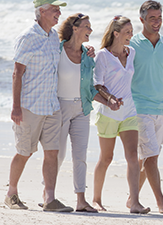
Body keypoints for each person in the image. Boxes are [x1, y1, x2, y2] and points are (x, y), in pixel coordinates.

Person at [5, 0, 73, 212]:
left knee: (52, 152)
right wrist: (16, 106)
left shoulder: (53, 36)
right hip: (30, 106)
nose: (59, 13)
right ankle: (11, 194)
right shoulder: (27, 37)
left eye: (59, 9)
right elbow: (17, 72)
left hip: (52, 106)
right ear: (41, 11)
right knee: (24, 152)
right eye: (55, 9)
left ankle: (50, 199)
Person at [91, 15, 150, 214]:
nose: (130, 36)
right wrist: (110, 99)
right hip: (108, 113)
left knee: (133, 156)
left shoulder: (131, 52)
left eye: (131, 32)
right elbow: (97, 84)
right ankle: (96, 199)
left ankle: (134, 202)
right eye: (127, 32)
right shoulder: (102, 56)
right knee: (106, 158)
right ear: (116, 33)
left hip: (129, 112)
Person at [129, 0, 163, 214]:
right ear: (142, 19)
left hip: (161, 109)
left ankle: (132, 199)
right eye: (152, 18)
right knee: (150, 157)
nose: (157, 22)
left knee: (149, 156)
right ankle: (161, 202)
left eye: (159, 17)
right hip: (138, 108)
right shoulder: (131, 44)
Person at [54, 12, 107, 213]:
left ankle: (81, 200)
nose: (90, 30)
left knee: (80, 156)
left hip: (82, 109)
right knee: (57, 155)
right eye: (87, 26)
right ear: (74, 28)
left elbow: (90, 88)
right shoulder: (57, 50)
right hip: (59, 108)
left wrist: (108, 101)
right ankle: (48, 194)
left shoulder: (87, 56)